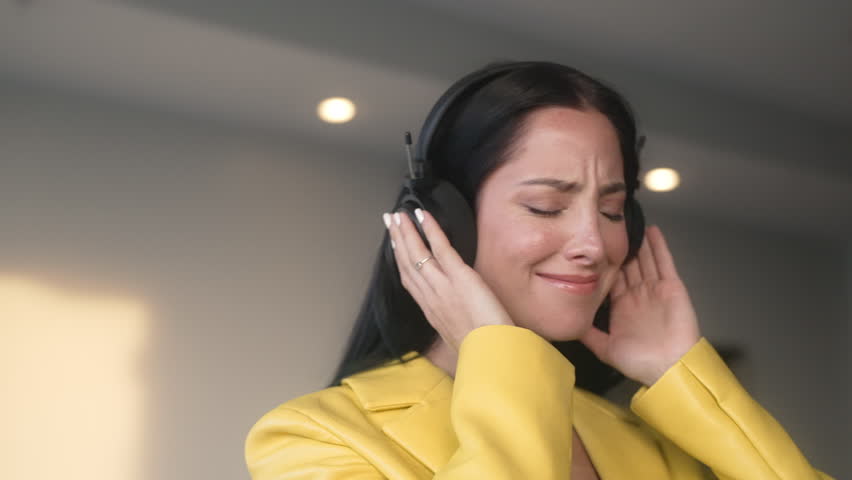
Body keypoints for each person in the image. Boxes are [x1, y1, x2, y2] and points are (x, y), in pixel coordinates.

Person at [245, 61, 833, 479]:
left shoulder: (650, 442)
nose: (594, 244)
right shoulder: (311, 439)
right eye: (546, 207)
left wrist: (682, 376)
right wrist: (492, 351)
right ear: (444, 221)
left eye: (610, 209)